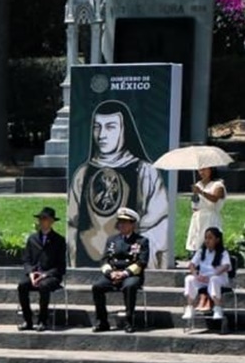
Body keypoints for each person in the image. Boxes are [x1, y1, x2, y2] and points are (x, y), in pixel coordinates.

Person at [68, 99, 169, 268]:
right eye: (97, 127)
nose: (101, 135)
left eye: (110, 127)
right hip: (86, 255)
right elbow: (72, 222)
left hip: (129, 258)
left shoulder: (145, 172)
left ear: (124, 130)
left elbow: (158, 221)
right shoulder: (82, 174)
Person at [91, 207, 150, 334]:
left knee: (129, 286)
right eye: (120, 221)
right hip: (112, 274)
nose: (121, 224)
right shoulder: (112, 240)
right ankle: (102, 322)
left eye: (125, 222)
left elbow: (142, 262)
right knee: (97, 287)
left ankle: (129, 322)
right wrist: (110, 273)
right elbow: (104, 260)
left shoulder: (141, 241)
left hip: (131, 275)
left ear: (132, 224)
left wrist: (124, 274)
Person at [17, 206, 67, 332]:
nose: (41, 221)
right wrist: (31, 273)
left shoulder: (59, 240)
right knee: (22, 285)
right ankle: (27, 320)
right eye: (40, 219)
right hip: (35, 274)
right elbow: (26, 260)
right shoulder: (32, 239)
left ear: (51, 221)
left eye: (44, 219)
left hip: (50, 276)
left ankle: (42, 320)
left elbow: (60, 266)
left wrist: (45, 275)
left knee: (44, 286)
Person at [182, 226, 232, 322]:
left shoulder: (223, 253)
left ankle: (217, 308)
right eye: (206, 238)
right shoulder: (201, 252)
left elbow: (226, 266)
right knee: (189, 279)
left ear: (217, 240)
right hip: (203, 279)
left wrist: (212, 274)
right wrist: (196, 275)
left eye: (210, 238)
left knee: (214, 280)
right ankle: (190, 307)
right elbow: (192, 264)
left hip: (218, 278)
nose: (207, 241)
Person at [186, 166, 227, 256]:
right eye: (200, 170)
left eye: (204, 169)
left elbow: (215, 199)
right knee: (196, 242)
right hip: (198, 217)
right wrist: (195, 198)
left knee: (210, 241)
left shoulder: (218, 185)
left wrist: (201, 192)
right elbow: (195, 203)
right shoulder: (198, 184)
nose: (201, 172)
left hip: (210, 217)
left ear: (211, 170)